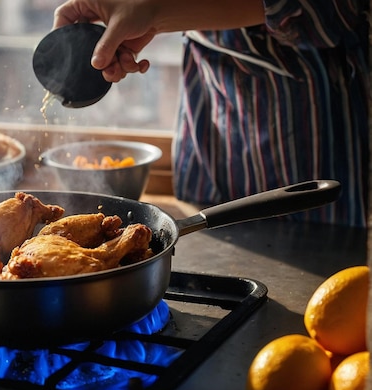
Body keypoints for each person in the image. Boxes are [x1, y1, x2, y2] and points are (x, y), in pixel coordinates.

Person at [53, 0, 369, 227]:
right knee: (203, 233)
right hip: (209, 105)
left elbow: (328, 9)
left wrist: (157, 10)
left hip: (302, 117)